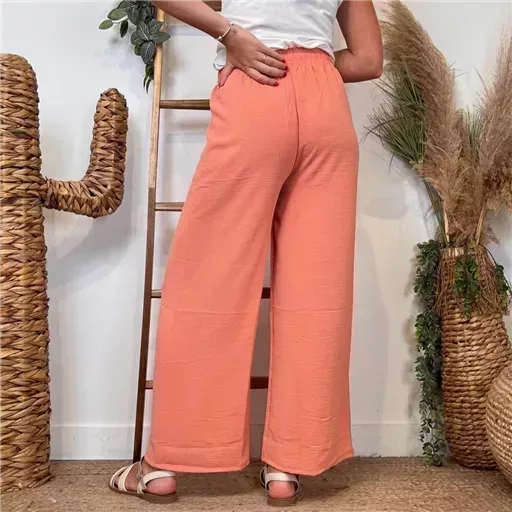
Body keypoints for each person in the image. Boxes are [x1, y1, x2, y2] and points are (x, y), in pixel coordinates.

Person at [110, 0, 382, 507]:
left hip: (258, 86)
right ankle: (287, 465)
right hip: (327, 110)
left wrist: (228, 33)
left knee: (208, 280)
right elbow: (367, 60)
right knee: (316, 293)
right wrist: (314, 66)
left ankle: (165, 463)